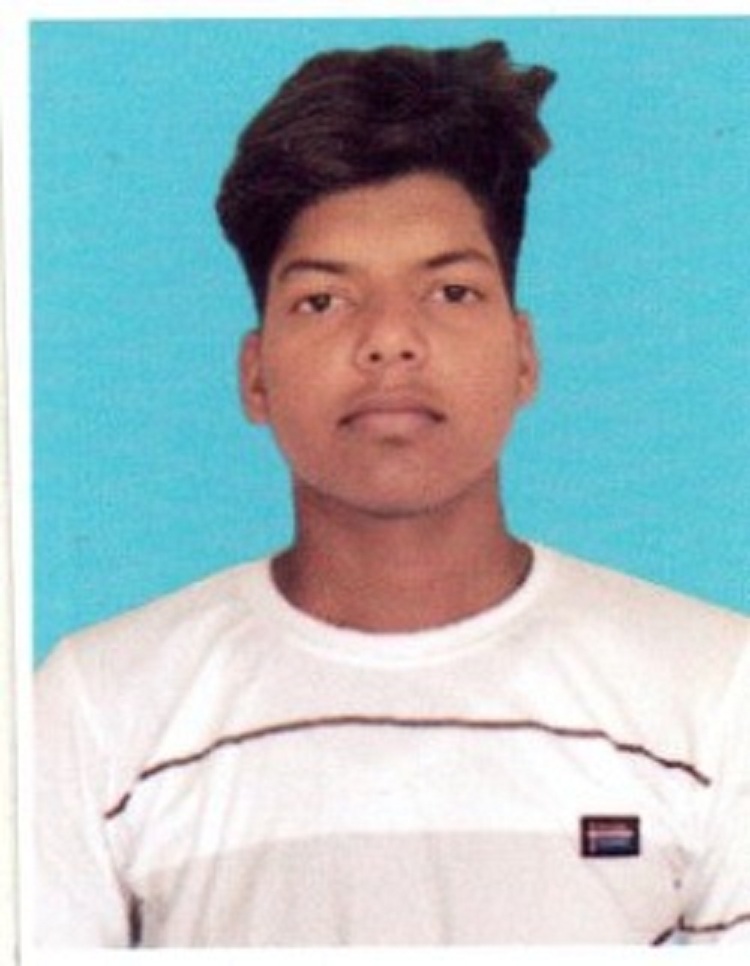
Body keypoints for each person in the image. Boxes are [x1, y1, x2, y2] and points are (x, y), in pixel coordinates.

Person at [35, 39, 749, 947]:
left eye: (450, 291)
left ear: (523, 356)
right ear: (255, 376)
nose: (390, 341)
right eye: (323, 301)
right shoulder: (99, 710)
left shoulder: (715, 693)